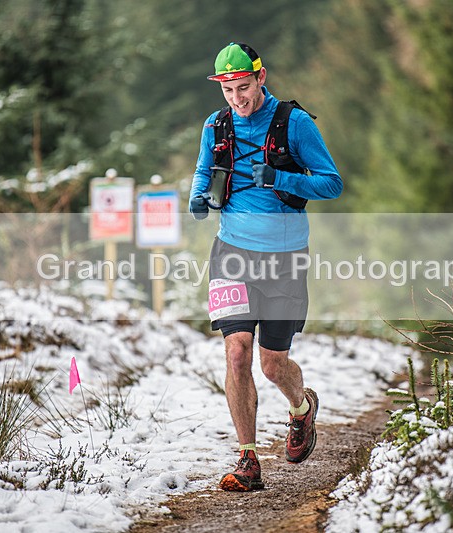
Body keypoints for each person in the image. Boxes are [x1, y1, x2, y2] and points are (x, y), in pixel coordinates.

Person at [189, 42, 342, 492]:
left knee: (273, 365)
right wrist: (199, 198)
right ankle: (248, 459)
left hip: (285, 258)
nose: (236, 99)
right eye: (228, 90)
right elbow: (203, 171)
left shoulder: (294, 123)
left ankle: (301, 408)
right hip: (231, 254)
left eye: (243, 87)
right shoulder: (215, 126)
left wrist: (279, 178)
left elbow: (331, 183)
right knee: (236, 352)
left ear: (261, 77)